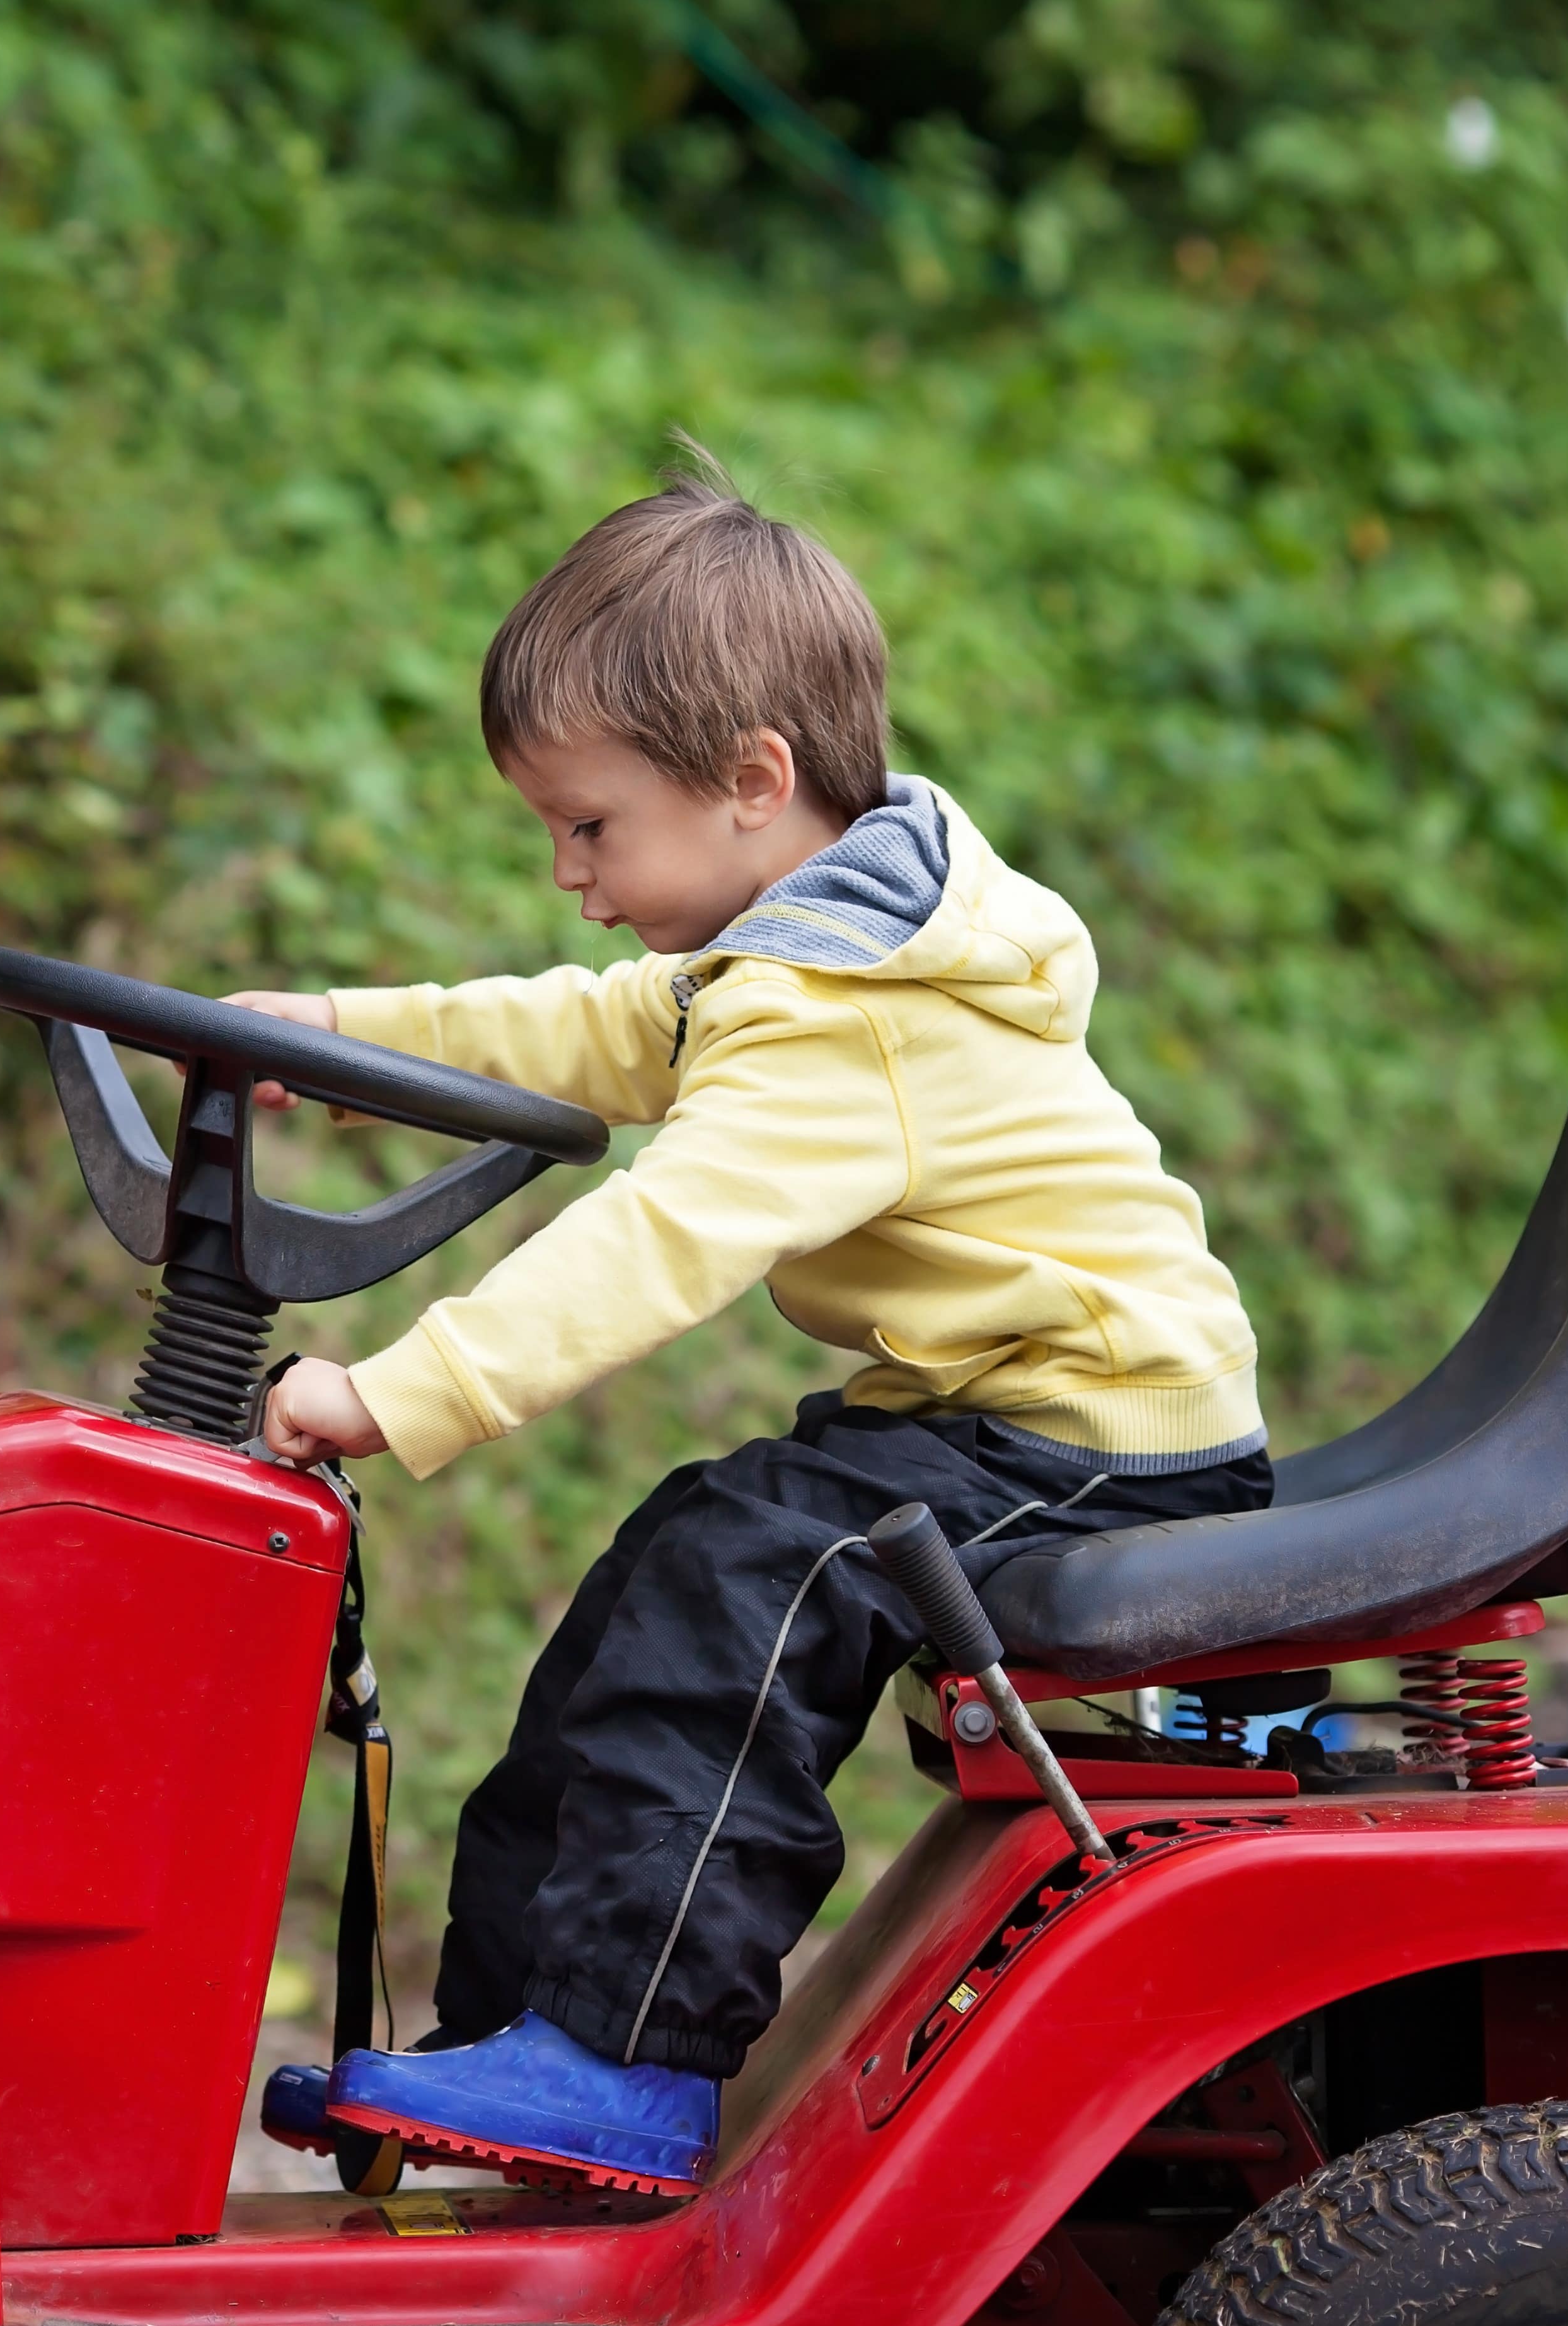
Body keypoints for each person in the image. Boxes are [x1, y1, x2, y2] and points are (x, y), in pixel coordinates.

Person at [244, 454, 1269, 2195]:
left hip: (1100, 1436)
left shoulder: (836, 1010)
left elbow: (662, 1237)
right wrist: (327, 1032)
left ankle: (626, 2064)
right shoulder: (794, 958)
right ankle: (509, 2057)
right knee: (674, 1566)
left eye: (590, 826)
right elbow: (579, 1029)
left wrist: (405, 1389)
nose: (568, 873)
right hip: (987, 1411)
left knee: (754, 1580)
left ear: (752, 783)